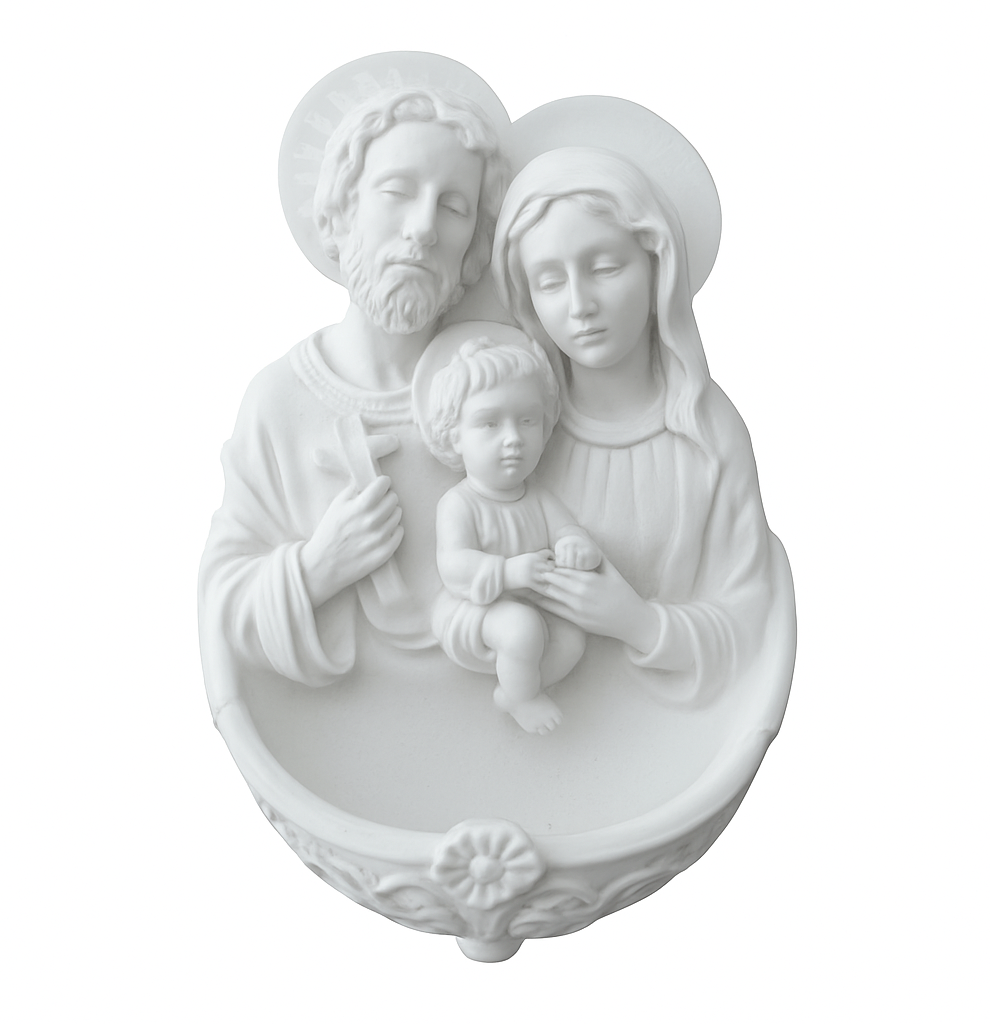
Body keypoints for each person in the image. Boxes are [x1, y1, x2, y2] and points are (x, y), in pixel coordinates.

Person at [200, 88, 508, 686]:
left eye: (454, 207)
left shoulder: (497, 386)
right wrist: (317, 567)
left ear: (474, 243)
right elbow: (222, 605)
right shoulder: (279, 402)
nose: (423, 229)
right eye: (397, 192)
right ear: (341, 211)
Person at [492, 147, 786, 705]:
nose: (580, 305)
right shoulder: (515, 430)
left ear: (656, 269)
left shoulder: (707, 436)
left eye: (604, 268)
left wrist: (638, 623)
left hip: (669, 721)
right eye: (550, 282)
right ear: (526, 301)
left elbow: (753, 624)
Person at [421, 328, 601, 734]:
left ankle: (515, 688)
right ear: (455, 436)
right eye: (489, 423)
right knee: (521, 629)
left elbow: (567, 530)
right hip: (473, 612)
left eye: (527, 421)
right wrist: (507, 572)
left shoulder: (538, 498)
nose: (513, 439)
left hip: (531, 608)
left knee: (571, 641)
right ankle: (523, 699)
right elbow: (453, 564)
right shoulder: (459, 503)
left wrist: (575, 546)